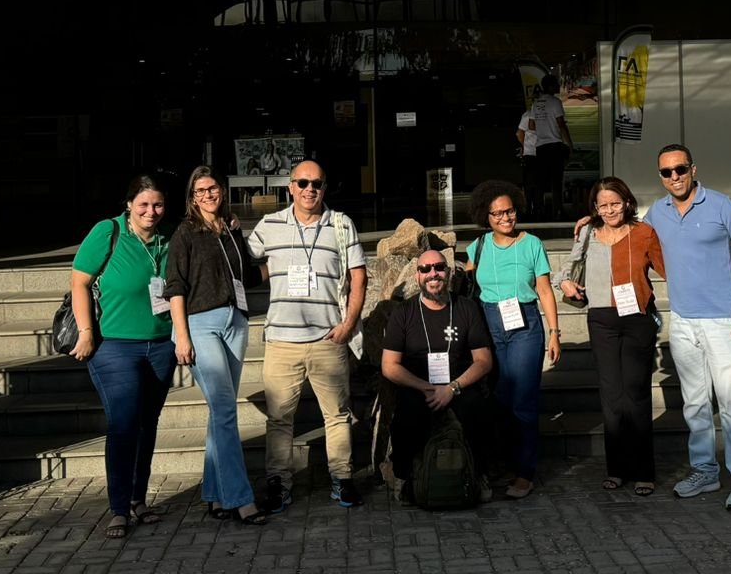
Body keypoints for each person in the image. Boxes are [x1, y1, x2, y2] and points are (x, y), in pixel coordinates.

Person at [644, 143, 731, 511]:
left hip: (723, 319)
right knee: (695, 402)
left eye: (680, 169)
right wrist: (591, 224)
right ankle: (705, 471)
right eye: (667, 172)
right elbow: (632, 241)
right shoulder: (657, 212)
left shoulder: (720, 205)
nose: (675, 177)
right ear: (661, 176)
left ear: (693, 169)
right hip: (683, 320)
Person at [246, 160, 366, 512]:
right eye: (302, 183)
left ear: (325, 187)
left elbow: (359, 276)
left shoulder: (341, 224)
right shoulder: (269, 225)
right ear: (290, 187)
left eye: (317, 183)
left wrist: (348, 325)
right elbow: (242, 260)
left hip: (328, 339)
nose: (309, 189)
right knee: (279, 419)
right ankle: (278, 484)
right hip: (282, 341)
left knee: (337, 415)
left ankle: (342, 479)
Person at [69, 175, 177, 538]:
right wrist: (86, 331)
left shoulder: (169, 237)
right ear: (129, 204)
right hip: (113, 346)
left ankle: (137, 500)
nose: (151, 211)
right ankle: (118, 508)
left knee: (147, 423)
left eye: (158, 204)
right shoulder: (109, 232)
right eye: (143, 204)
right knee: (124, 423)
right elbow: (79, 282)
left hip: (161, 345)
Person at [164, 165, 269, 525]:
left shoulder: (231, 228)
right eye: (201, 190)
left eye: (212, 188)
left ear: (222, 191)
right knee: (225, 411)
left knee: (218, 412)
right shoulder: (185, 233)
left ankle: (214, 495)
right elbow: (175, 286)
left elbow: (247, 276)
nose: (208, 195)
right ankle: (241, 499)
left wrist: (284, 263)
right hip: (200, 325)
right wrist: (182, 336)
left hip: (235, 321)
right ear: (192, 197)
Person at [559, 177, 665, 496]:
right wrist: (565, 283)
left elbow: (670, 268)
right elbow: (567, 269)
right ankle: (616, 469)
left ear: (627, 202)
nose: (609, 210)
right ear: (595, 207)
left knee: (636, 395)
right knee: (611, 396)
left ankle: (644, 471)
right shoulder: (588, 233)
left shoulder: (644, 232)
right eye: (602, 205)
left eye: (615, 204)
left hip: (637, 319)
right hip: (602, 320)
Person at [458, 179, 561, 498]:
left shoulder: (532, 244)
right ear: (485, 216)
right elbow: (467, 287)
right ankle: (502, 463)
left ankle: (524, 472)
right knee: (499, 399)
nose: (506, 218)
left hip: (525, 324)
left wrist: (554, 333)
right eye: (498, 213)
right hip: (488, 325)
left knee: (522, 400)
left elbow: (544, 290)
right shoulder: (479, 246)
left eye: (510, 211)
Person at [381, 248, 495, 505]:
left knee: (478, 410)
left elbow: (483, 360)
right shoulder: (404, 312)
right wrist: (425, 387)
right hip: (419, 385)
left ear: (448, 272)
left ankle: (479, 474)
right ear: (417, 276)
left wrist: (452, 388)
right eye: (425, 269)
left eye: (439, 268)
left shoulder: (466, 308)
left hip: (458, 384)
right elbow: (389, 365)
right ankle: (403, 476)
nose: (433, 274)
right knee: (406, 415)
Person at [526, 76, 573, 219]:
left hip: (540, 147)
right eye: (556, 84)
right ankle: (557, 210)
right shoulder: (555, 102)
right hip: (554, 145)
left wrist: (543, 128)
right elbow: (561, 124)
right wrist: (569, 143)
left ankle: (539, 210)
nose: (558, 86)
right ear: (550, 86)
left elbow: (531, 126)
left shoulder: (536, 103)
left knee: (540, 181)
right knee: (556, 181)